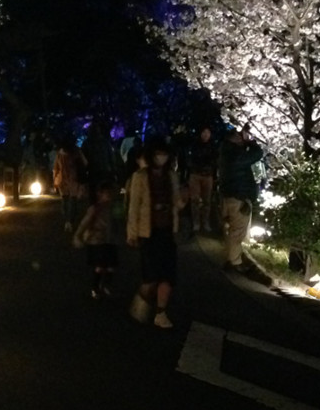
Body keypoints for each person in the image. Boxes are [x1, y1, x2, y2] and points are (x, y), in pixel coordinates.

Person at [126, 138, 183, 329]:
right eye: (158, 154)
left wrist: (185, 199)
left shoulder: (172, 176)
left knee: (168, 275)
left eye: (165, 154)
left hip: (167, 231)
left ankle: (160, 313)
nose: (161, 158)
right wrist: (132, 233)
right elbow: (134, 207)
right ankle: (141, 301)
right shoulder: (140, 177)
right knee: (150, 277)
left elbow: (177, 202)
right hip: (147, 232)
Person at [218, 125, 264, 270]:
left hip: (230, 194)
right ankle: (234, 262)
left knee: (232, 229)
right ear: (236, 137)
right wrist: (252, 143)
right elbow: (258, 153)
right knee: (237, 231)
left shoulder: (227, 151)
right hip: (239, 195)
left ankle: (231, 258)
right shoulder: (235, 155)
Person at [73, 181, 119, 298]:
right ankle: (95, 288)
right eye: (106, 193)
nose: (109, 196)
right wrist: (78, 235)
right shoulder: (95, 208)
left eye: (110, 193)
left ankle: (105, 285)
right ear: (100, 194)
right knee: (99, 267)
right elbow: (84, 223)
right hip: (97, 241)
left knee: (110, 267)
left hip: (110, 240)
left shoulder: (114, 208)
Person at [53, 134, 88, 232]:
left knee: (64, 201)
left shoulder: (60, 153)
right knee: (73, 201)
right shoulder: (76, 152)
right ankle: (70, 221)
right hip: (74, 179)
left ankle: (67, 221)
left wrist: (55, 180)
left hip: (62, 179)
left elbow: (56, 168)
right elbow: (85, 163)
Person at [187, 126, 218, 233]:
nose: (205, 134)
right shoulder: (195, 145)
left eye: (208, 132)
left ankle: (205, 222)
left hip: (208, 175)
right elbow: (191, 158)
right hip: (195, 174)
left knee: (207, 200)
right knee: (195, 200)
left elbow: (215, 160)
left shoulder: (213, 146)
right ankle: (196, 222)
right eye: (204, 132)